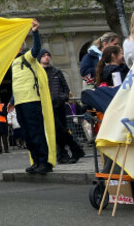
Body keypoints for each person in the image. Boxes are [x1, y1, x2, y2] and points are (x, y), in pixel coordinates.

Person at [9, 19, 55, 174]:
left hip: (32, 101)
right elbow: (18, 83)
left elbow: (36, 48)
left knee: (36, 132)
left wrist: (35, 32)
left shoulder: (27, 57)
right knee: (27, 134)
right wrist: (12, 101)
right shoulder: (13, 64)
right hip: (20, 102)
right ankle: (36, 161)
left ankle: (44, 162)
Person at [38, 49, 84, 164]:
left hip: (60, 105)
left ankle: (63, 154)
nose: (47, 57)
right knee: (59, 130)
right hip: (47, 107)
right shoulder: (37, 73)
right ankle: (75, 149)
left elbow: (66, 88)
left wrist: (62, 97)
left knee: (61, 130)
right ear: (39, 58)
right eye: (44, 56)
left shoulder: (56, 72)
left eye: (48, 55)